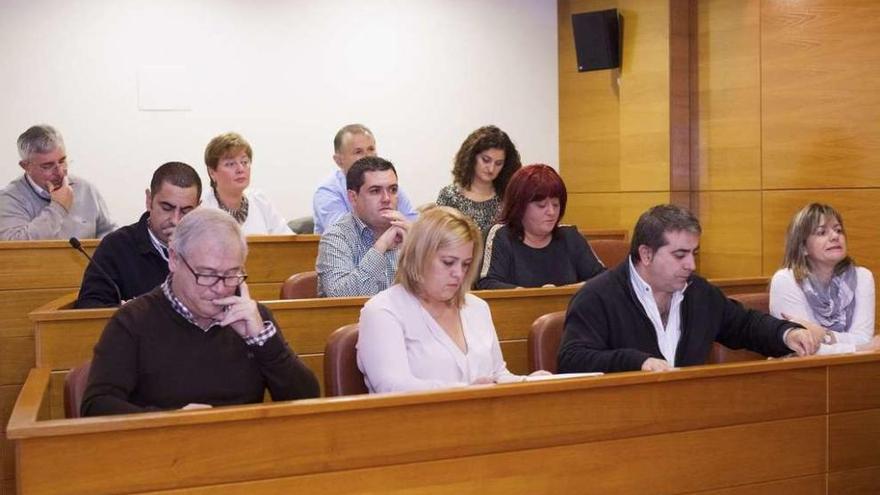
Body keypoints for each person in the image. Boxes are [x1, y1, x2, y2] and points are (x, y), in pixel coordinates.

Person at [81, 208, 319, 416]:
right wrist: (171, 419)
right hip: (162, 455)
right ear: (174, 259)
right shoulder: (133, 321)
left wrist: (263, 342)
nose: (220, 287)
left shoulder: (252, 318)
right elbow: (96, 407)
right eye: (206, 274)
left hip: (243, 454)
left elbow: (308, 402)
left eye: (231, 274)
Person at [558, 204, 821, 374]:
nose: (691, 264)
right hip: (623, 425)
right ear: (646, 254)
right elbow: (572, 359)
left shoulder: (698, 293)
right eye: (680, 255)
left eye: (694, 253)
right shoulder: (597, 296)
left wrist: (786, 335)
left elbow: (744, 325)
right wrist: (636, 362)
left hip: (689, 420)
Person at [356, 206, 521, 393]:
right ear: (419, 256)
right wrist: (466, 391)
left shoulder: (477, 307)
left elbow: (498, 375)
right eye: (448, 262)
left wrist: (530, 382)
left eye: (466, 264)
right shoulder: (382, 311)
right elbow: (393, 387)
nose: (459, 273)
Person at [74, 162, 202, 308]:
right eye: (167, 208)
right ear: (149, 200)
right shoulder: (116, 246)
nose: (175, 220)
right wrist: (129, 314)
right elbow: (89, 307)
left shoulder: (208, 248)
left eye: (186, 211)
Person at [770, 203, 879, 354]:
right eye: (821, 232)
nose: (835, 236)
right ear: (803, 247)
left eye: (838, 230)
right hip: (799, 373)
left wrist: (825, 335)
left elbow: (864, 338)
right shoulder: (786, 280)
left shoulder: (862, 277)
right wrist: (858, 348)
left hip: (852, 369)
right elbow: (804, 348)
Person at [477, 164, 604, 289]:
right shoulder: (501, 235)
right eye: (541, 205)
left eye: (555, 205)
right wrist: (532, 296)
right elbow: (487, 283)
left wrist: (565, 291)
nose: (551, 212)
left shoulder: (571, 236)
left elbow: (603, 279)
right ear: (520, 206)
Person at [0, 124, 116, 240]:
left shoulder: (85, 189)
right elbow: (16, 247)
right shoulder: (9, 199)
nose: (60, 172)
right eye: (47, 166)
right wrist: (58, 208)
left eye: (62, 161)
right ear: (26, 166)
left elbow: (110, 234)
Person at [316, 157, 409, 297]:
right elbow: (342, 299)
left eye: (393, 190)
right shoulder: (336, 237)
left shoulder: (409, 233)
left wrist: (416, 247)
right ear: (353, 197)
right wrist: (381, 246)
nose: (387, 198)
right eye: (375, 191)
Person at [312, 124, 418, 234]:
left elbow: (413, 226)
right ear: (339, 160)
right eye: (358, 152)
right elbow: (344, 236)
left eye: (371, 149)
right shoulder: (327, 192)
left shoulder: (387, 185)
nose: (368, 157)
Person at [435, 125, 521, 237]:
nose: (491, 168)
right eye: (486, 160)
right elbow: (439, 239)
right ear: (471, 157)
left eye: (498, 163)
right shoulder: (449, 196)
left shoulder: (508, 197)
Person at [200, 132, 292, 234]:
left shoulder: (260, 201)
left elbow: (288, 242)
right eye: (230, 164)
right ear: (212, 172)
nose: (240, 169)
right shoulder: (202, 208)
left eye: (244, 162)